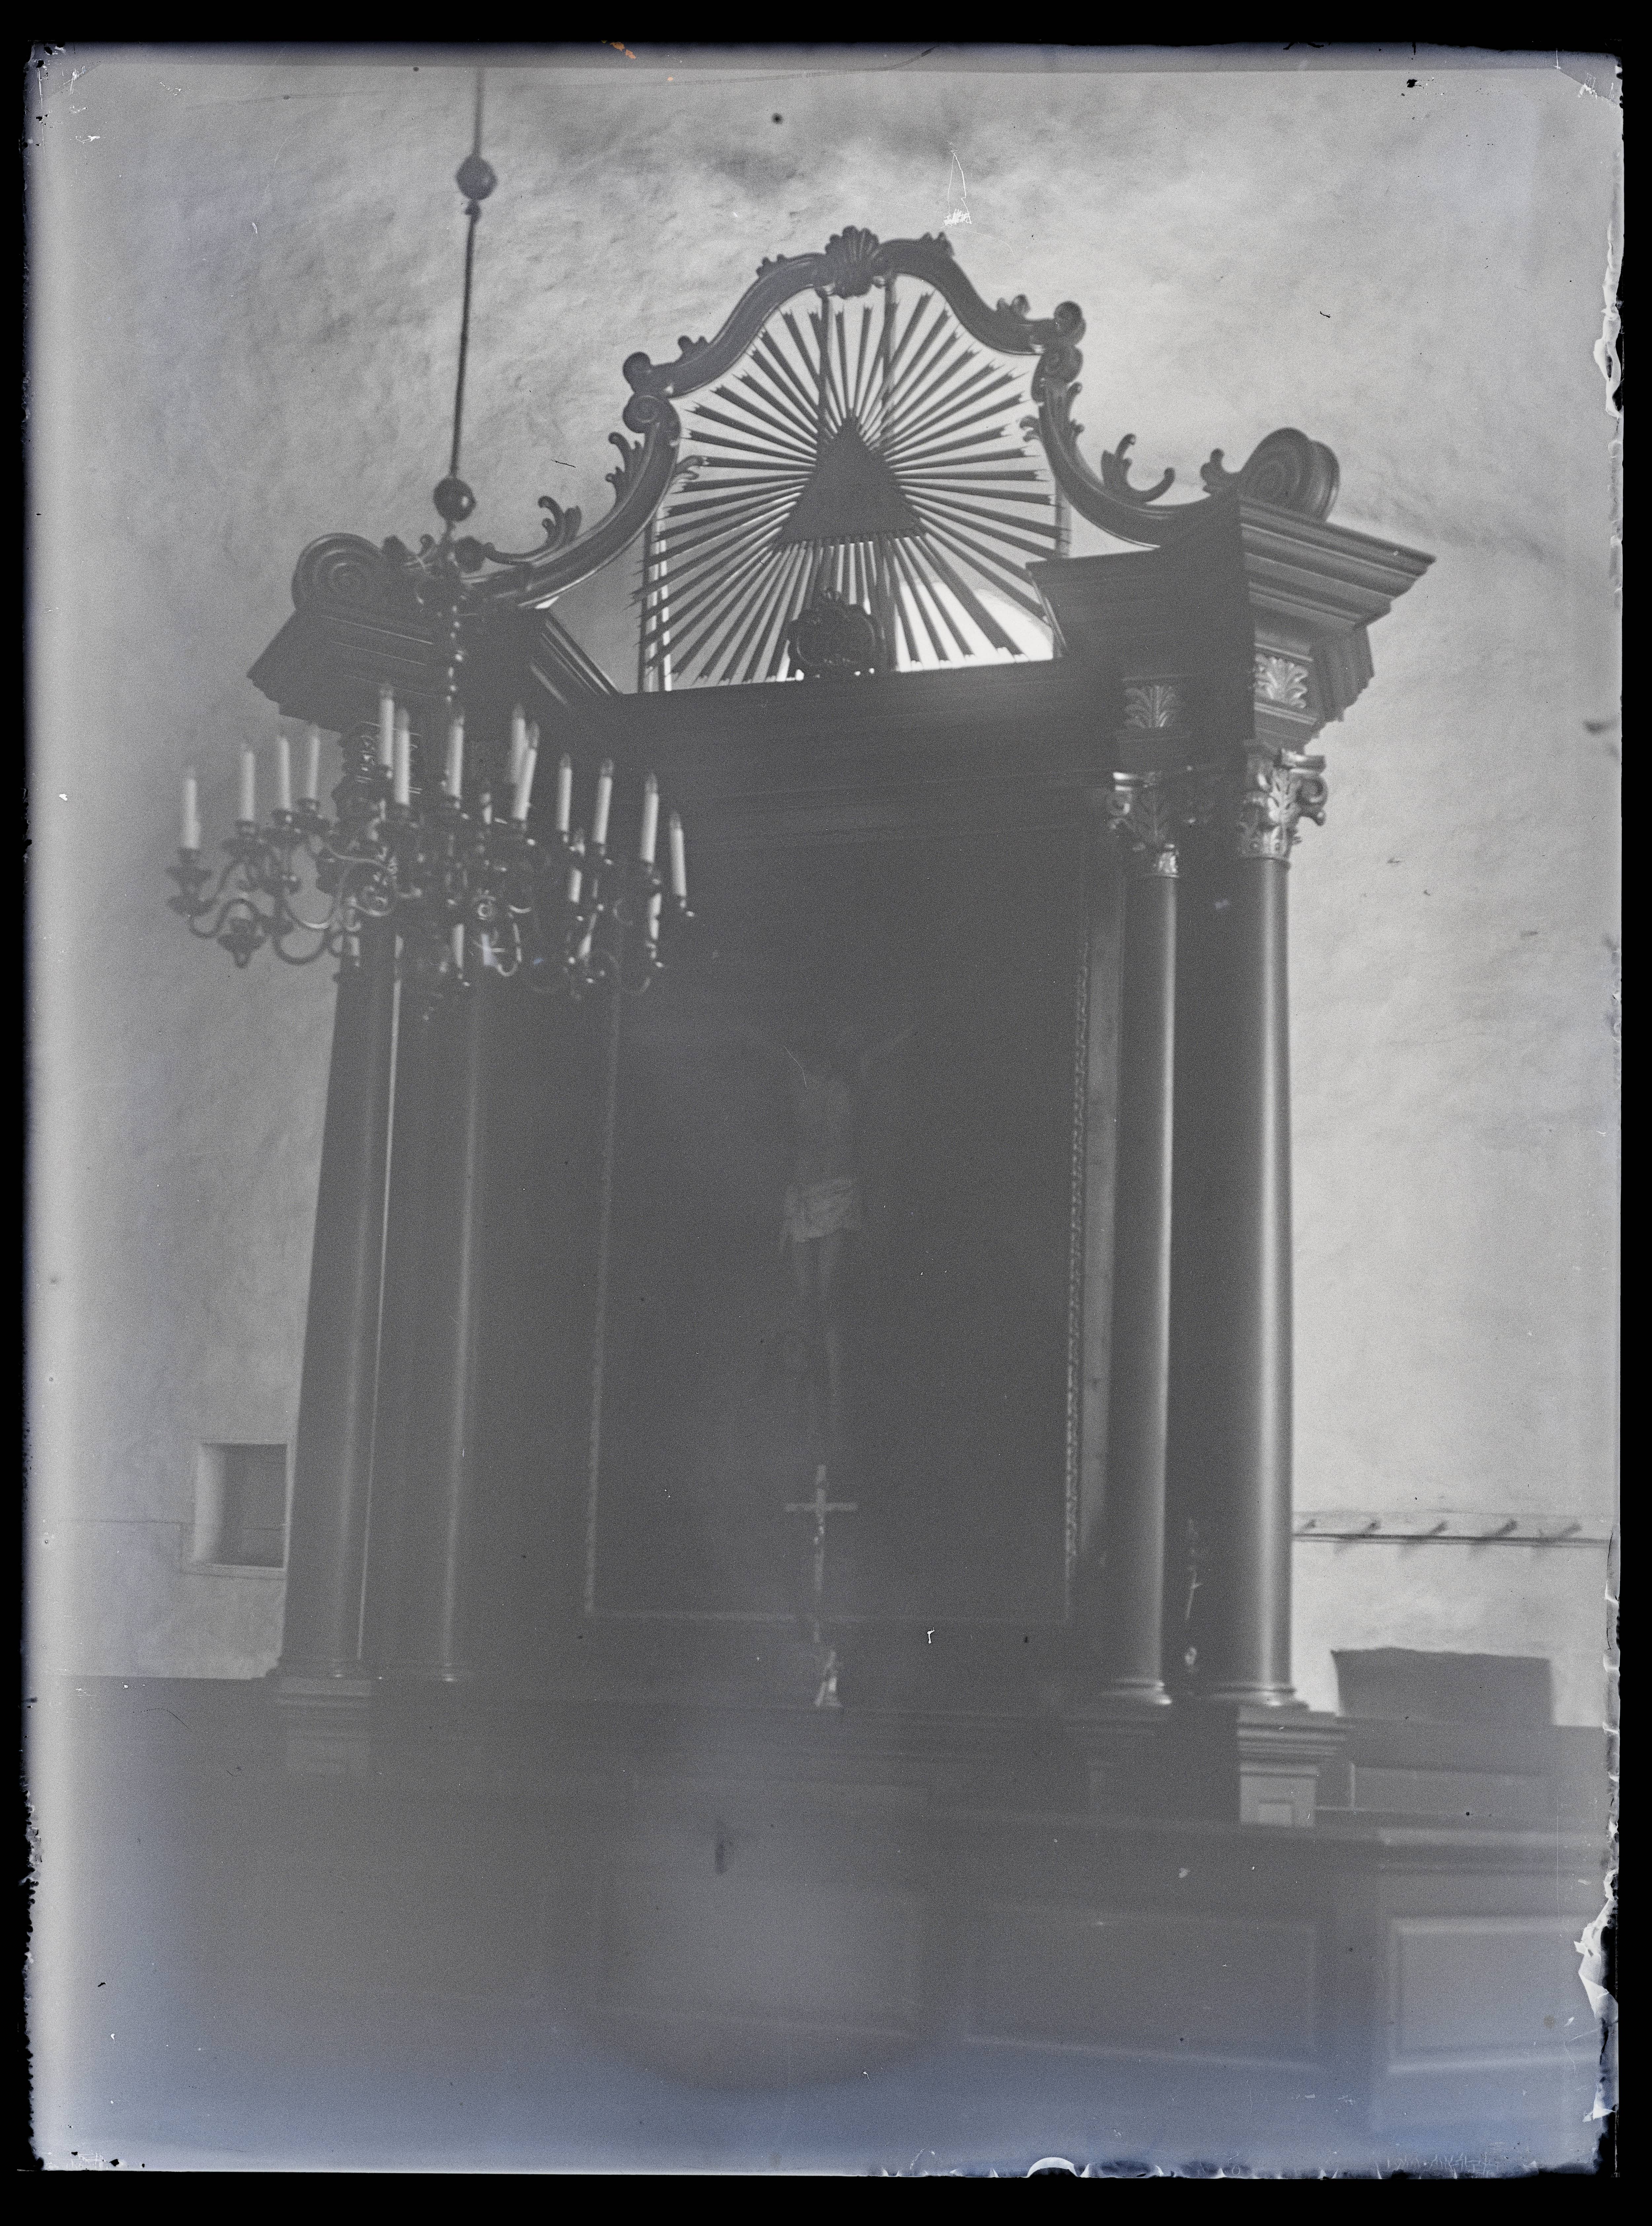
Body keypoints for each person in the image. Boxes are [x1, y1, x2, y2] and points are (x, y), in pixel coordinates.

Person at [778, 1017, 914, 1459]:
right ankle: (804, 1402)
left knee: (828, 1296)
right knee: (805, 1302)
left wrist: (904, 1032)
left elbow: (884, 1049)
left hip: (835, 1193)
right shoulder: (798, 1077)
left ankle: (835, 1405)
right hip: (804, 1194)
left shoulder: (853, 1077)